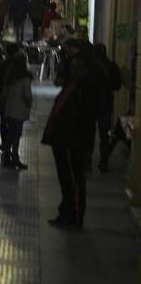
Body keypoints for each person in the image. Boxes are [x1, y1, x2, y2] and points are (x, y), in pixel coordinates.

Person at [41, 54, 87, 229]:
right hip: (61, 142)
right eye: (72, 67)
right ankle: (65, 212)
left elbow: (80, 120)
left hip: (70, 144)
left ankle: (74, 216)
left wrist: (73, 140)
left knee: (72, 182)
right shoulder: (71, 87)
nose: (73, 70)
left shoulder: (80, 91)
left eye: (77, 67)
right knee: (65, 180)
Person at [93, 43, 121, 172]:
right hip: (106, 104)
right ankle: (104, 161)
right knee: (104, 135)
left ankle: (86, 160)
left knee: (88, 131)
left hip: (91, 104)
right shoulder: (113, 66)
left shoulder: (91, 66)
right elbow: (117, 86)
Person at [2, 52, 33, 169]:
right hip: (19, 110)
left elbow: (4, 93)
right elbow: (27, 94)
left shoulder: (10, 77)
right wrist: (29, 103)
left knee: (10, 133)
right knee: (17, 134)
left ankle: (7, 156)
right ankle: (15, 157)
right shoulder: (25, 78)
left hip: (9, 109)